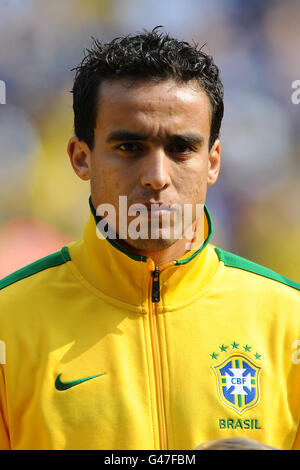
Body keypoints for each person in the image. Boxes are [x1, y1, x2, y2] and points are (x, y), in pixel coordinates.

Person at [0, 28, 300, 451]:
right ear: (81, 158)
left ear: (212, 163)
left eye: (181, 149)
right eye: (129, 147)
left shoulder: (289, 322)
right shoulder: (7, 324)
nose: (157, 177)